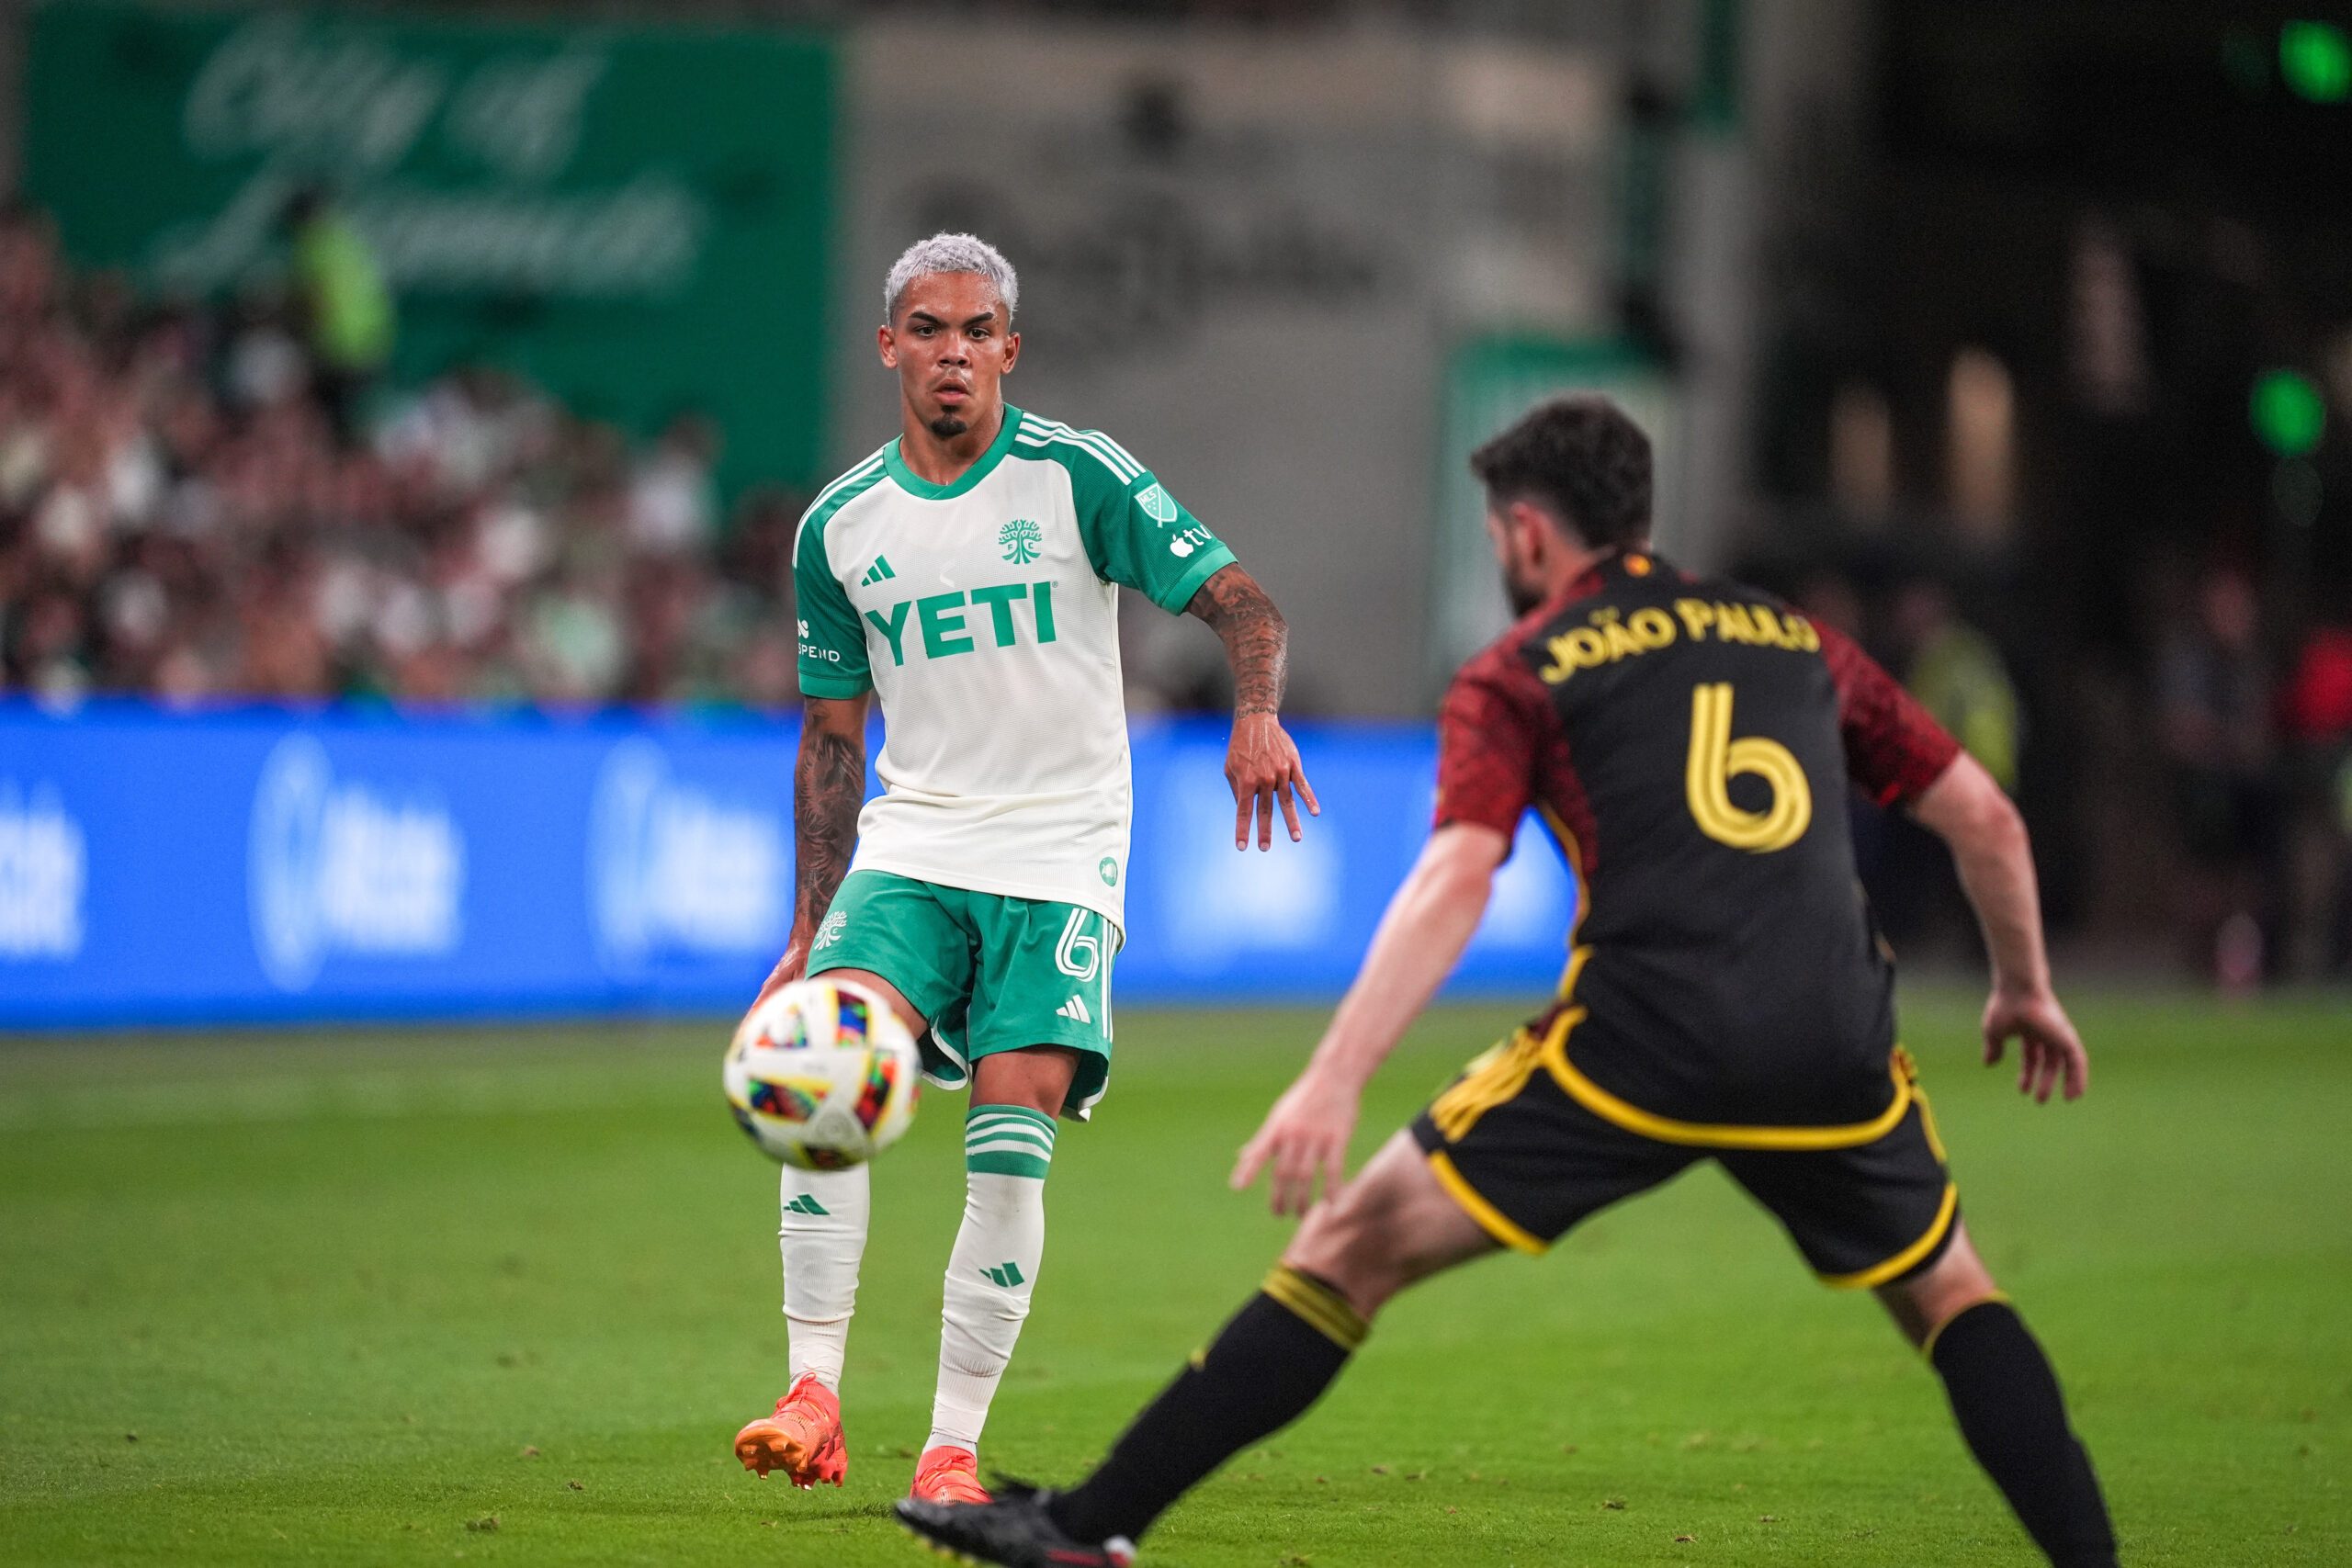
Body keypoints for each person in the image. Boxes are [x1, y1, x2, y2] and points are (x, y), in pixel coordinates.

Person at [898, 396, 2119, 1568]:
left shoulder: (1525, 669)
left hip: (1645, 1035)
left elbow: (1455, 881)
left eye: (1498, 536)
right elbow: (1988, 822)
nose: (1501, 556)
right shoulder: (1798, 639)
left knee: (1349, 1244)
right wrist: (2023, 987)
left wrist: (1335, 1076)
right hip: (1833, 1035)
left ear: (1530, 532)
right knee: (1949, 1290)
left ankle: (1089, 1527)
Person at [732, 234, 1318, 1506]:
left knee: (1009, 1133)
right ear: (889, 345)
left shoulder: (1074, 476)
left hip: (1059, 853)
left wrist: (1256, 710)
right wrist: (806, 928)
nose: (954, 352)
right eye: (929, 329)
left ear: (1009, 349)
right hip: (914, 843)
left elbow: (1244, 606)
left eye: (978, 330)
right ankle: (812, 1390)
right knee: (825, 1067)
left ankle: (948, 1452)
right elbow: (833, 738)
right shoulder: (841, 526)